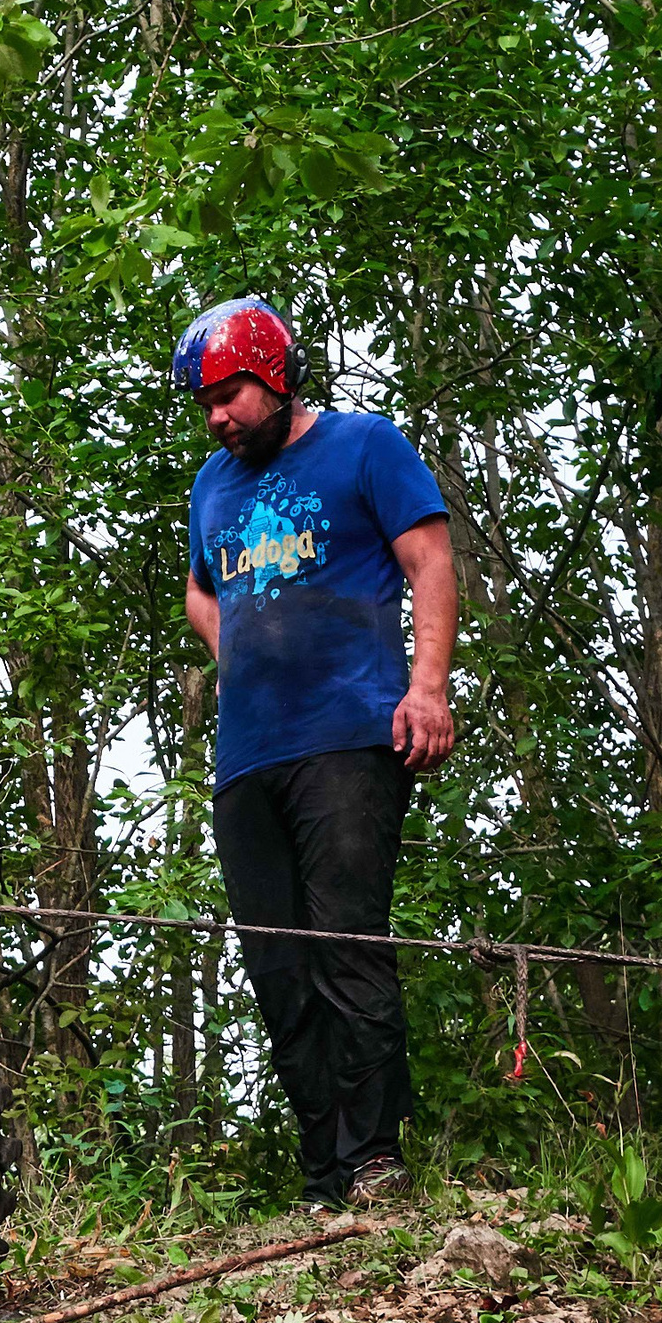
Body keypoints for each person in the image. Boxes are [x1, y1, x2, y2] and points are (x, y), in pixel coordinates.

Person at [172, 296, 458, 1209]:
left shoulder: (365, 445)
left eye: (230, 395)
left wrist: (427, 688)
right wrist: (241, 661)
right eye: (205, 403)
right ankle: (323, 1178)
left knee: (345, 946)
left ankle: (375, 1160)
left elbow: (431, 561)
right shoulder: (211, 486)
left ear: (277, 374)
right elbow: (200, 593)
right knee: (279, 967)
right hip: (248, 758)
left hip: (348, 740)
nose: (218, 416)